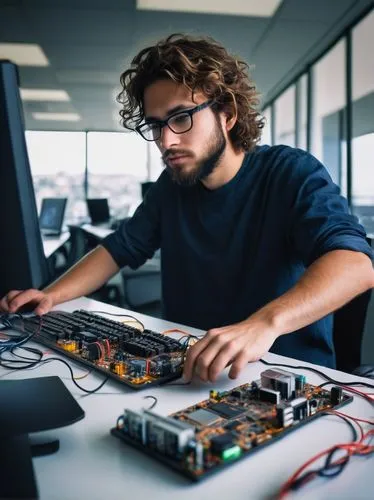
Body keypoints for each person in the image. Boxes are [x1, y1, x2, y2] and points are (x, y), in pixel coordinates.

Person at [1, 34, 373, 383]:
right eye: (156, 125)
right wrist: (52, 294)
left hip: (283, 378)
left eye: (181, 118)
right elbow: (119, 249)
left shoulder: (290, 172)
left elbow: (356, 265)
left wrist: (264, 324)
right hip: (184, 372)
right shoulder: (171, 189)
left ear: (227, 115)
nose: (166, 140)